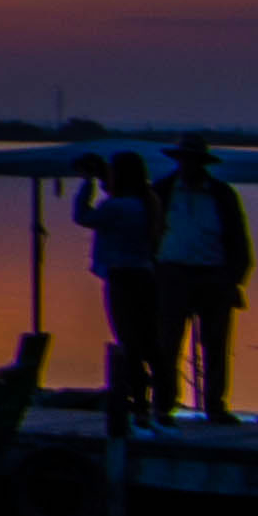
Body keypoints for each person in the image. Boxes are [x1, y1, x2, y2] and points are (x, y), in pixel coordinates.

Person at [157, 140, 253, 422]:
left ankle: (215, 406)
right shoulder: (162, 191)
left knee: (216, 345)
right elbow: (147, 233)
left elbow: (239, 240)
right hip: (172, 274)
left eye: (194, 160)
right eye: (186, 160)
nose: (190, 165)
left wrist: (235, 279)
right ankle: (163, 404)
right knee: (166, 343)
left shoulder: (222, 195)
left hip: (214, 276)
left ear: (203, 164)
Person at [72, 146, 167, 419]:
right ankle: (160, 402)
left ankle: (139, 402)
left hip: (122, 280)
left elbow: (82, 217)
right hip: (145, 276)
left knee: (129, 342)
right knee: (149, 342)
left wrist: (87, 182)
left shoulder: (117, 206)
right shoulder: (146, 203)